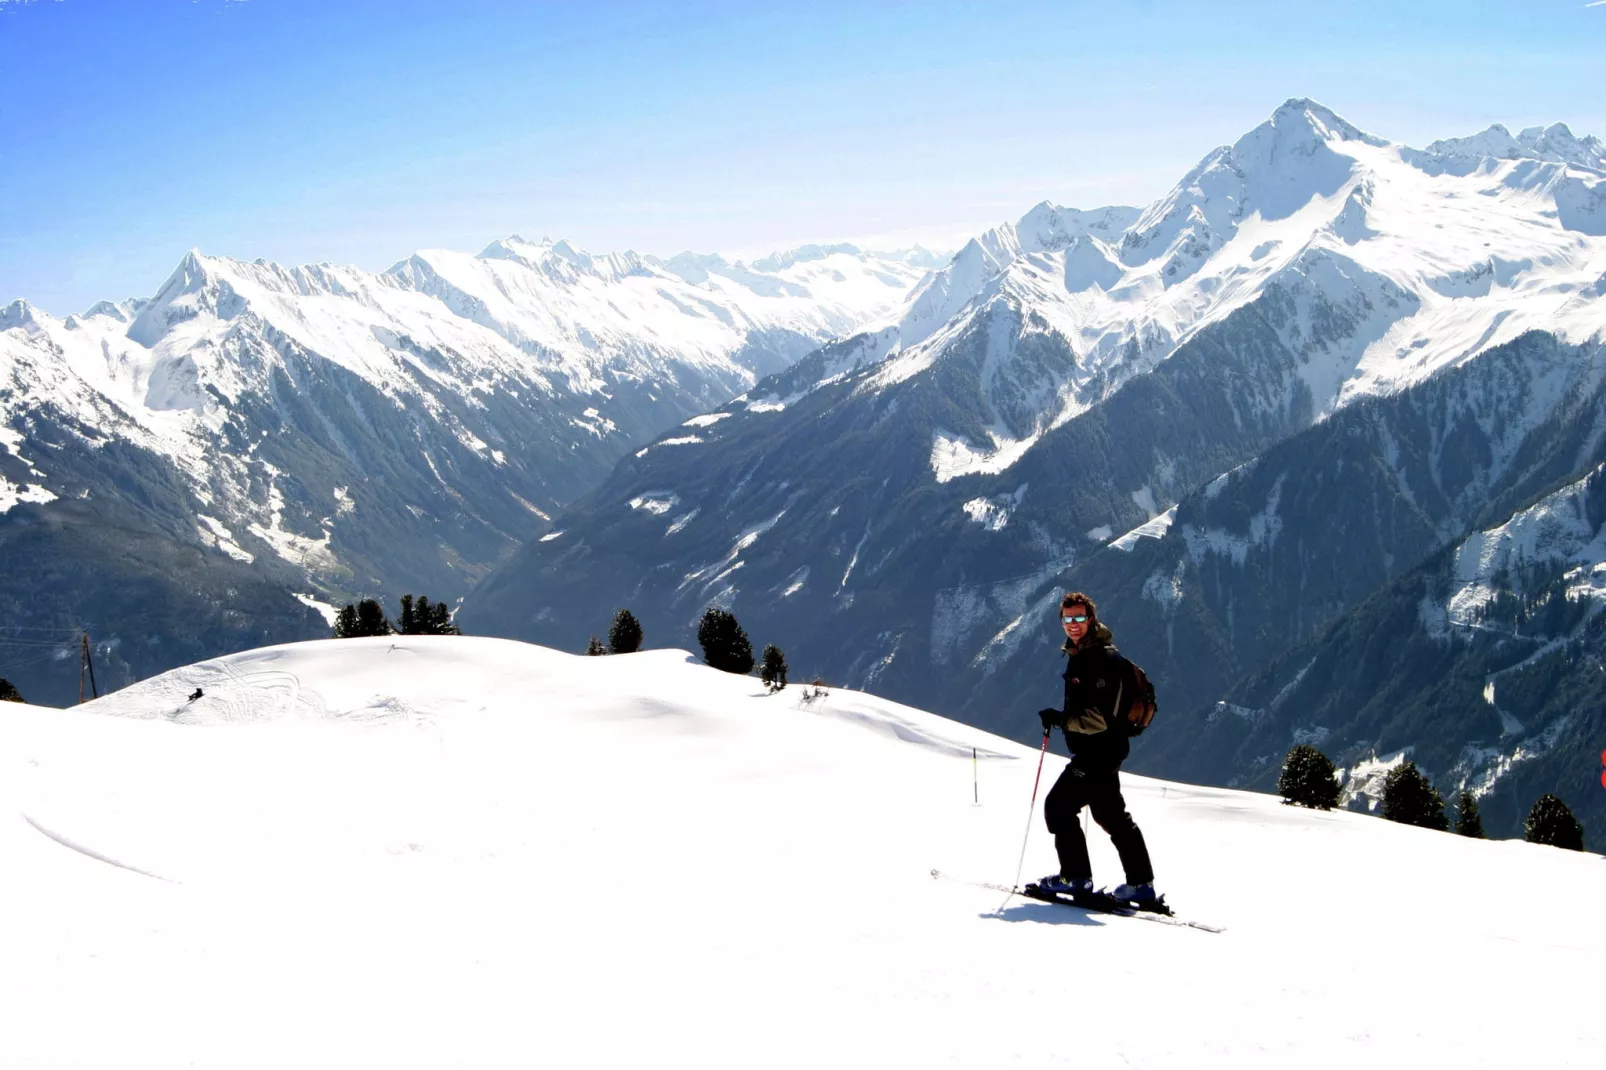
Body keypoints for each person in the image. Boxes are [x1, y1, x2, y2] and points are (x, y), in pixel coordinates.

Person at [1034, 591, 1157, 905]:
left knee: (1058, 807)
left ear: (1091, 619)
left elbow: (1100, 719)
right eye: (1067, 619)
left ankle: (1074, 877)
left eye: (1079, 618)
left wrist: (1061, 719)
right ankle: (1141, 885)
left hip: (1097, 752)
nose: (1073, 625)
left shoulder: (1097, 660)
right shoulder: (1087, 655)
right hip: (1109, 751)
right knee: (1112, 815)